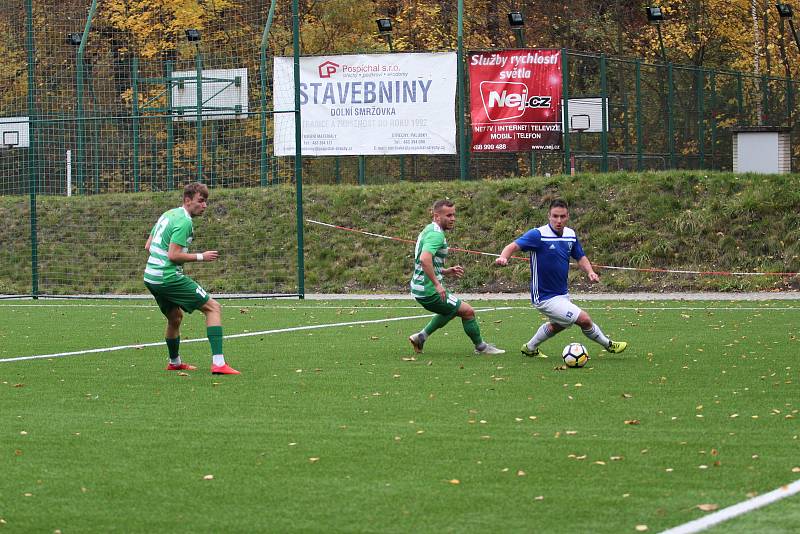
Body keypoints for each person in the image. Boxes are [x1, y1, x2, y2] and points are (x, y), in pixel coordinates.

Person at [494, 199, 627, 359]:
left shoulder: (570, 235)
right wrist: (503, 257)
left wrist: (590, 272)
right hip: (543, 296)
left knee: (558, 325)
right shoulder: (538, 235)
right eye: (555, 216)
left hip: (562, 294)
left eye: (562, 216)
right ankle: (609, 345)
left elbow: (580, 257)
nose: (558, 220)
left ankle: (530, 348)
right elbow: (512, 246)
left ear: (568, 216)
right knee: (584, 319)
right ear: (548, 216)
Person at [143, 182, 240, 375]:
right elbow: (173, 255)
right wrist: (201, 256)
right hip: (168, 277)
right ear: (188, 200)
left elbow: (148, 246)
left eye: (206, 202)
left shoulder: (169, 214)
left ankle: (174, 362)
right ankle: (219, 364)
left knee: (175, 318)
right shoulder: (185, 221)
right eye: (201, 201)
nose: (204, 206)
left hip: (151, 277)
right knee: (213, 308)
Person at [408, 199, 505, 355]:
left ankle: (421, 337)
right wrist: (437, 284)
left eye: (454, 215)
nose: (453, 218)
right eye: (448, 215)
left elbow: (427, 261)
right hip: (429, 290)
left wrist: (445, 271)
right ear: (437, 216)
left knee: (451, 311)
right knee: (467, 311)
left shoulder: (429, 229)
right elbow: (424, 259)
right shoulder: (436, 235)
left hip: (420, 287)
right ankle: (481, 347)